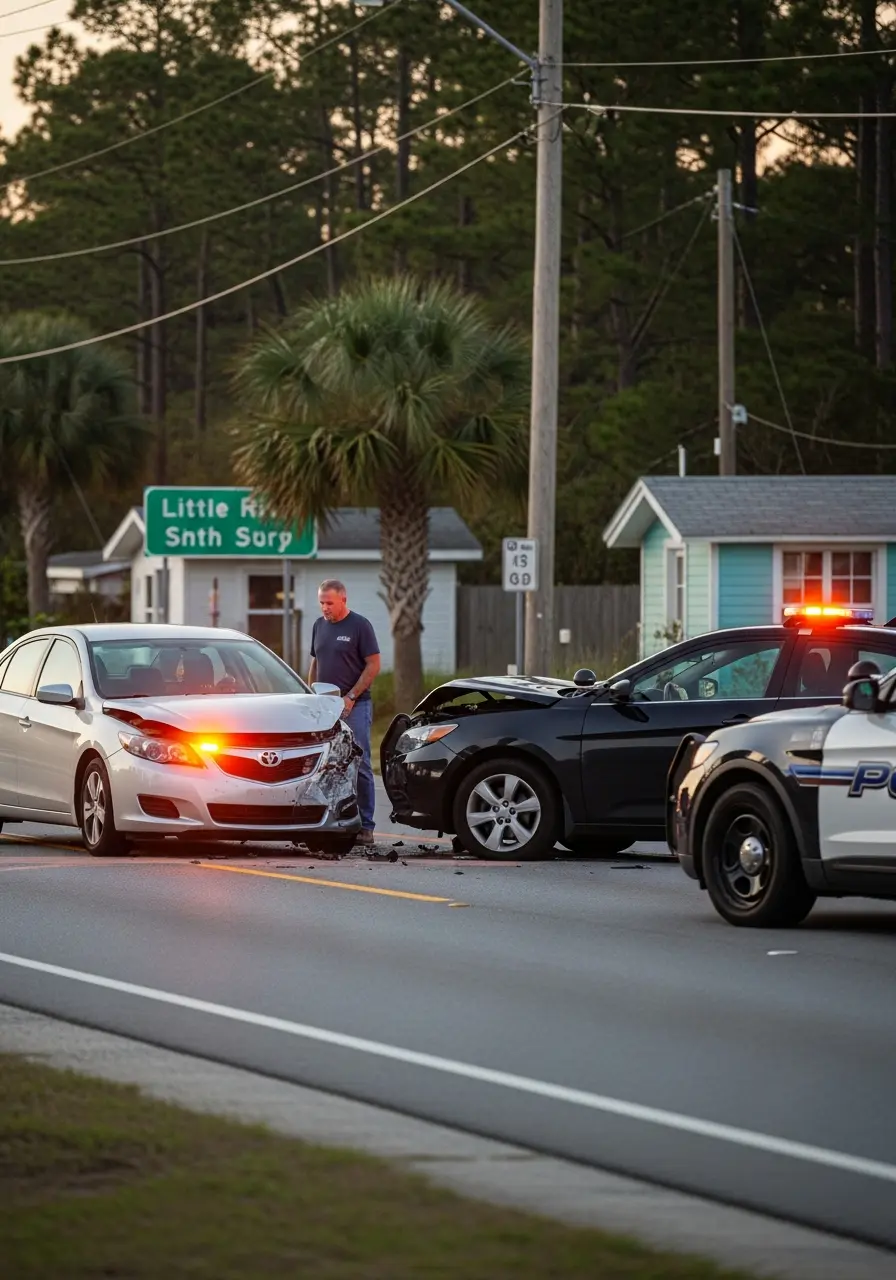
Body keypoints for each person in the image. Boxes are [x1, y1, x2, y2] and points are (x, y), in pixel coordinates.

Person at [308, 579, 381, 846]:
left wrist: (351, 697)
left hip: (355, 706)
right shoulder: (318, 626)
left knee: (359, 763)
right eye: (321, 602)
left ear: (343, 600)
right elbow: (315, 663)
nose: (325, 608)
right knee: (324, 764)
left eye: (329, 602)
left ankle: (367, 825)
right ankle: (328, 821)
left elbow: (373, 665)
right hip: (325, 707)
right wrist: (311, 696)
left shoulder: (360, 626)